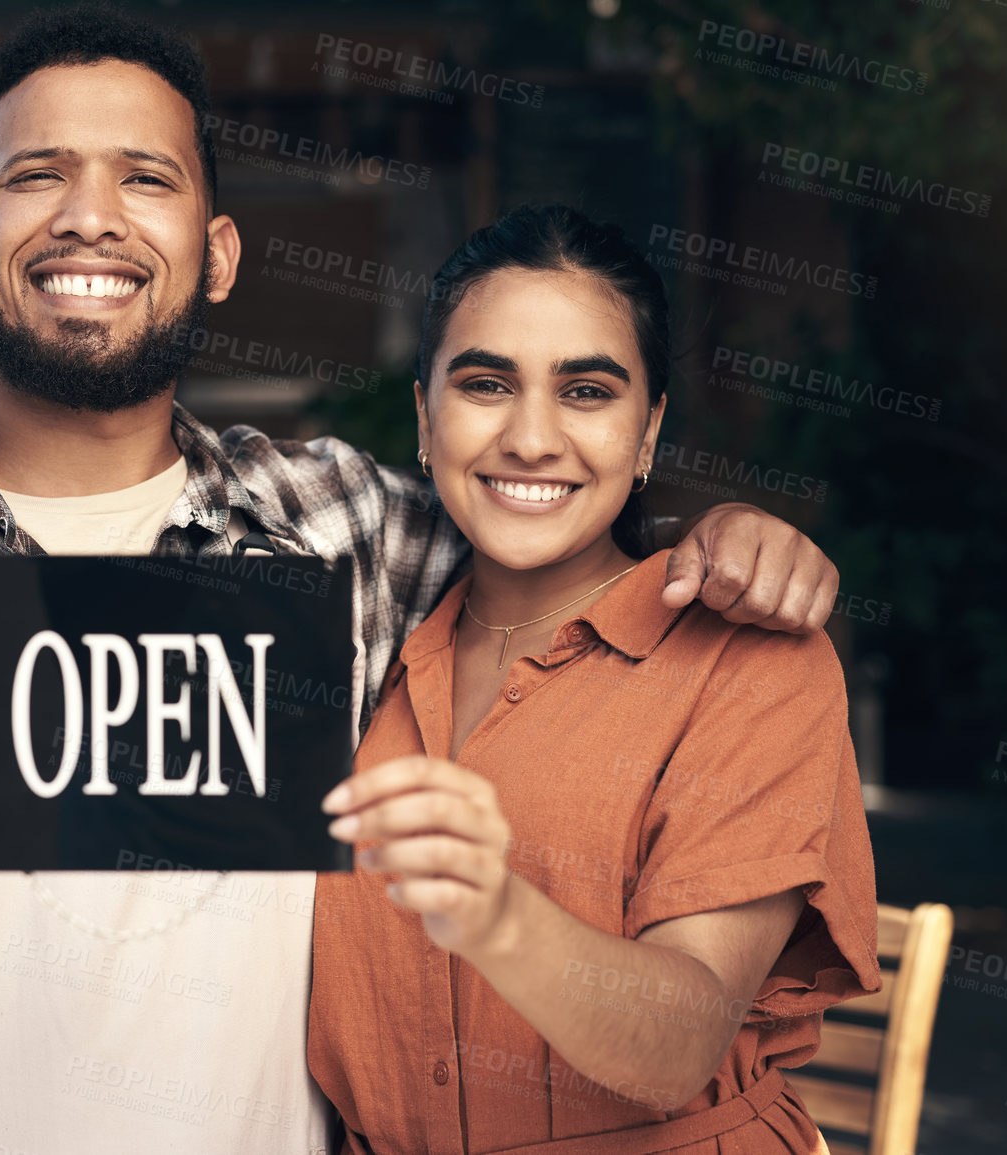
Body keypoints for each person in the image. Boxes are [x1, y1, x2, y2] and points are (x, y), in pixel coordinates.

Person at [0, 9, 843, 1153]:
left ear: (219, 252)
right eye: (38, 175)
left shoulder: (344, 531)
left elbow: (537, 501)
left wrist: (721, 534)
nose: (91, 217)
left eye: (148, 179)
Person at [310, 204, 879, 1153]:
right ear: (424, 416)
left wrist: (492, 909)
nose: (531, 439)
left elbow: (676, 1044)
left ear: (648, 430)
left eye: (586, 392)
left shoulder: (747, 658)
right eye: (486, 382)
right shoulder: (362, 639)